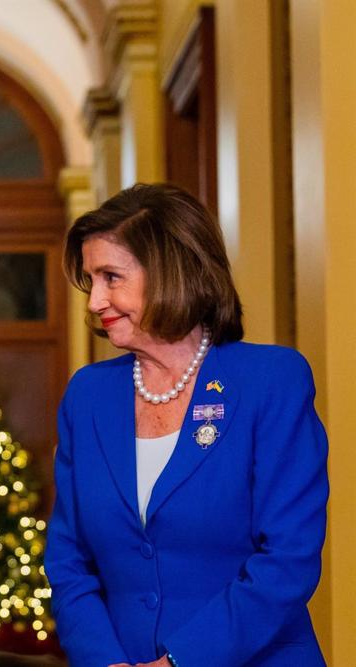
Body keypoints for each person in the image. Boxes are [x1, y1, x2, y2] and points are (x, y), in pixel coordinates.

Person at [45, 183, 328, 667]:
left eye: (111, 277)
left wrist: (181, 661)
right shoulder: (87, 395)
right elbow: (69, 559)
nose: (94, 301)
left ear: (169, 273)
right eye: (92, 280)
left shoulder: (271, 381)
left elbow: (288, 558)